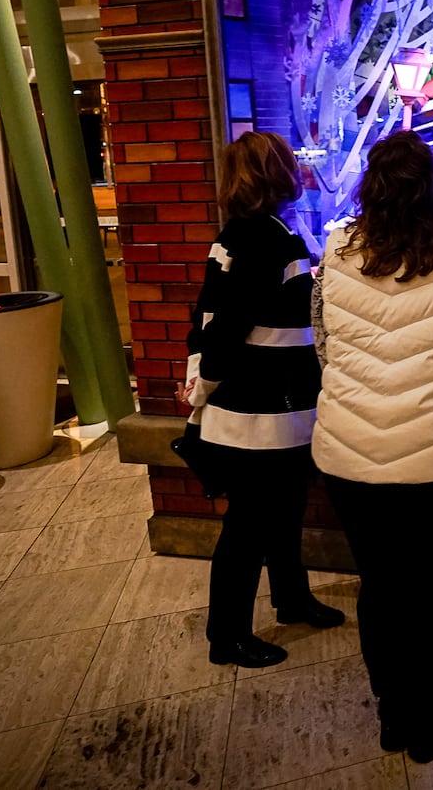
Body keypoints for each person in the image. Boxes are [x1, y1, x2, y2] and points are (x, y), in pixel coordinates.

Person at [310, 130, 433, 764]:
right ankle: (425, 722)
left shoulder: (331, 256)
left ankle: (394, 714)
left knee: (381, 586)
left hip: (349, 454)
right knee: (428, 590)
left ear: (371, 191)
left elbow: (325, 350)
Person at [180, 131, 344, 672]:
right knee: (250, 526)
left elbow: (207, 319)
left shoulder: (241, 233)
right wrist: (207, 383)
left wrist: (202, 382)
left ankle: (291, 597)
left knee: (282, 511)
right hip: (262, 409)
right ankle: (226, 636)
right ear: (276, 174)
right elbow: (228, 328)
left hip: (269, 405)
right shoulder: (270, 241)